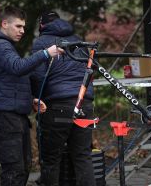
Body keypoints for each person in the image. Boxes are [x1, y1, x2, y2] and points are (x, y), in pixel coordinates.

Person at [0, 6, 64, 186]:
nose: (22, 31)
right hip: (5, 116)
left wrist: (30, 99)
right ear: (4, 24)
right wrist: (45, 53)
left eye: (24, 27)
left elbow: (9, 80)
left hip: (15, 115)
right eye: (18, 26)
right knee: (15, 169)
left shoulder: (5, 45)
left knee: (24, 167)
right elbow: (18, 67)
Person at [31, 11, 96, 186]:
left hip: (58, 105)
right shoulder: (78, 41)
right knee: (83, 156)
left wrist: (37, 98)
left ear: (41, 26)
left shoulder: (41, 43)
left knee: (51, 159)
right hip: (85, 103)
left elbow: (37, 76)